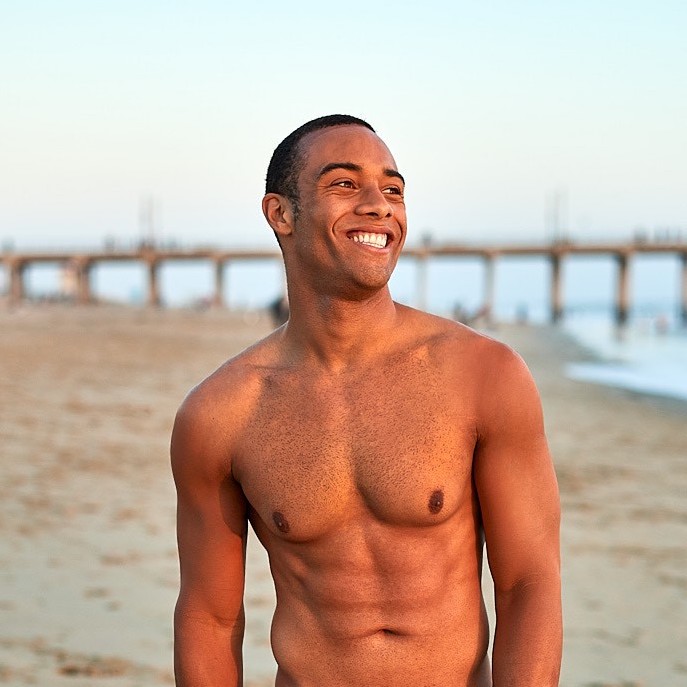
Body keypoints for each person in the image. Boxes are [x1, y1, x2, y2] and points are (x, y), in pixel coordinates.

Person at [171, 114, 562, 686]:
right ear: (280, 213)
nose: (379, 205)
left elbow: (530, 580)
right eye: (344, 184)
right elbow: (208, 616)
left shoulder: (482, 374)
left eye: (393, 189)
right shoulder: (221, 414)